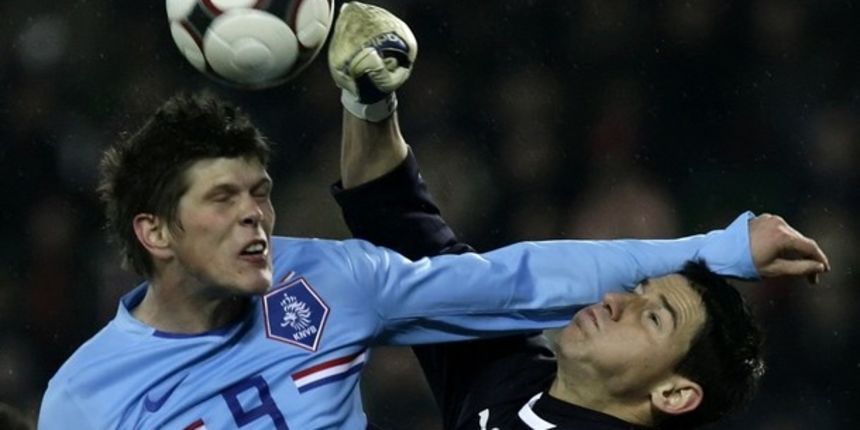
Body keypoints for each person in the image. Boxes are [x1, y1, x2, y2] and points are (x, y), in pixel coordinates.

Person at [37, 3, 828, 430]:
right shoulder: (84, 399)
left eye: (262, 193)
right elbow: (468, 258)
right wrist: (368, 100)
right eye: (224, 199)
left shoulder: (323, 278)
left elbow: (515, 280)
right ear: (155, 232)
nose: (256, 218)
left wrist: (724, 248)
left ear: (674, 395)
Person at [327, 4, 830, 429]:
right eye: (635, 293)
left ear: (675, 394)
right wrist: (368, 99)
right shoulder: (509, 377)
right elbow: (400, 225)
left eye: (653, 317)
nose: (614, 301)